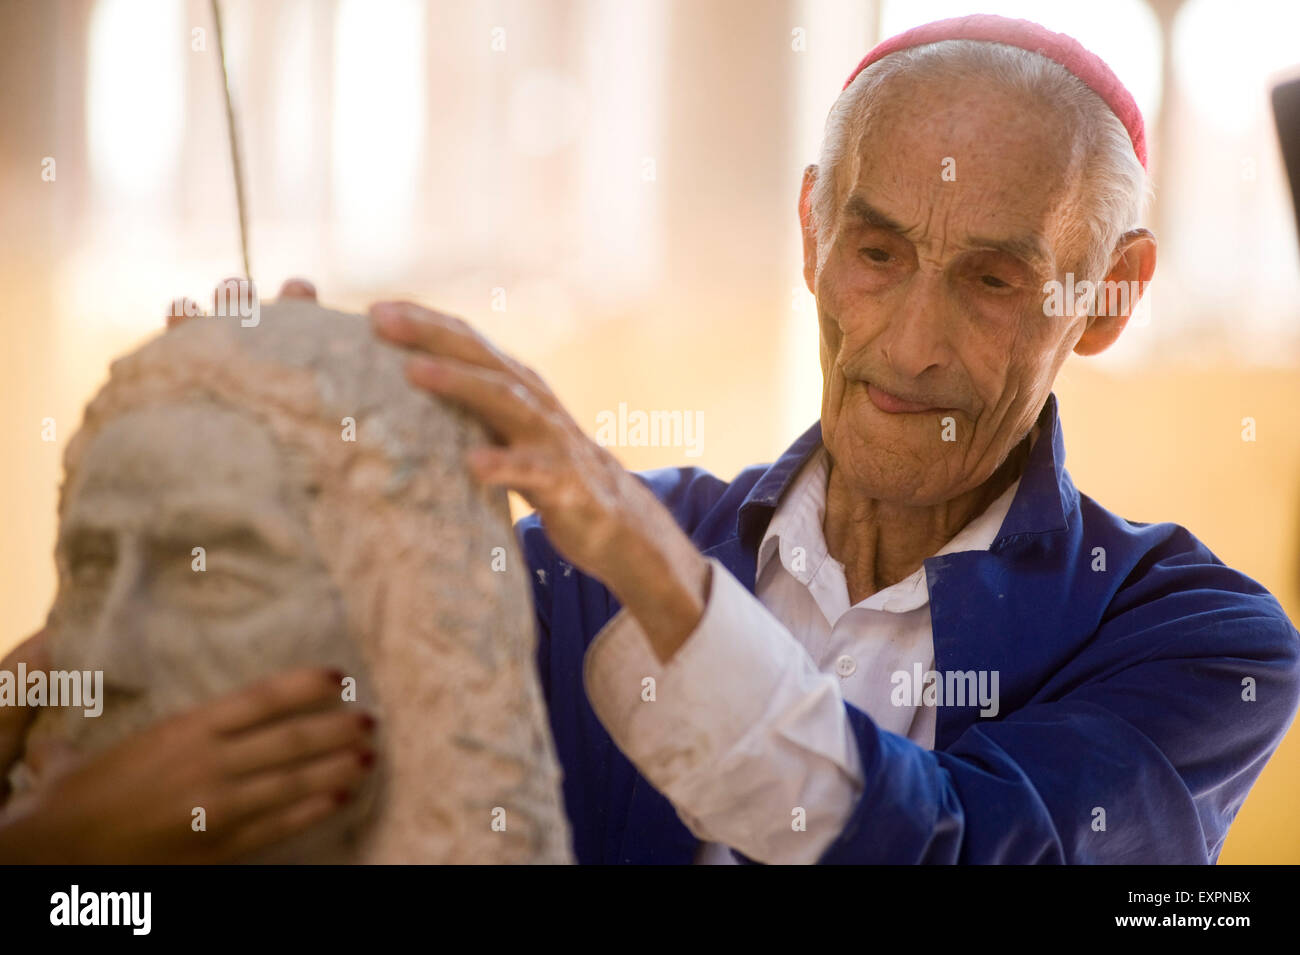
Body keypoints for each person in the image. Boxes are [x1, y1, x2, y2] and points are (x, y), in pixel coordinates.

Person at [4, 14, 1298, 864]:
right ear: (810, 232)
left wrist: (648, 564)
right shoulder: (562, 575)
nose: (909, 344)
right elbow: (212, 701)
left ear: (1114, 292)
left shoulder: (1201, 642)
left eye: (994, 282)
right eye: (877, 251)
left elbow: (965, 851)